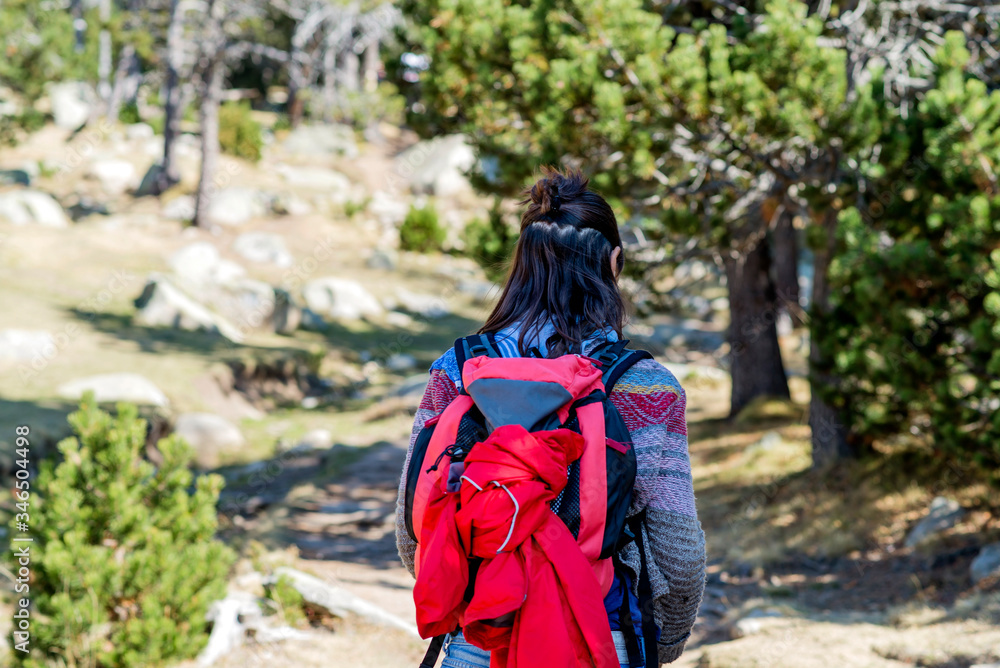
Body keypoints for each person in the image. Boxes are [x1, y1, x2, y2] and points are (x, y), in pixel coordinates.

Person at [394, 168, 706, 667]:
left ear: (522, 265)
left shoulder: (459, 370)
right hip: (599, 637)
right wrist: (661, 646)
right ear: (614, 262)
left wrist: (476, 596)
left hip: (476, 641)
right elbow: (677, 547)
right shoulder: (644, 384)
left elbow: (416, 523)